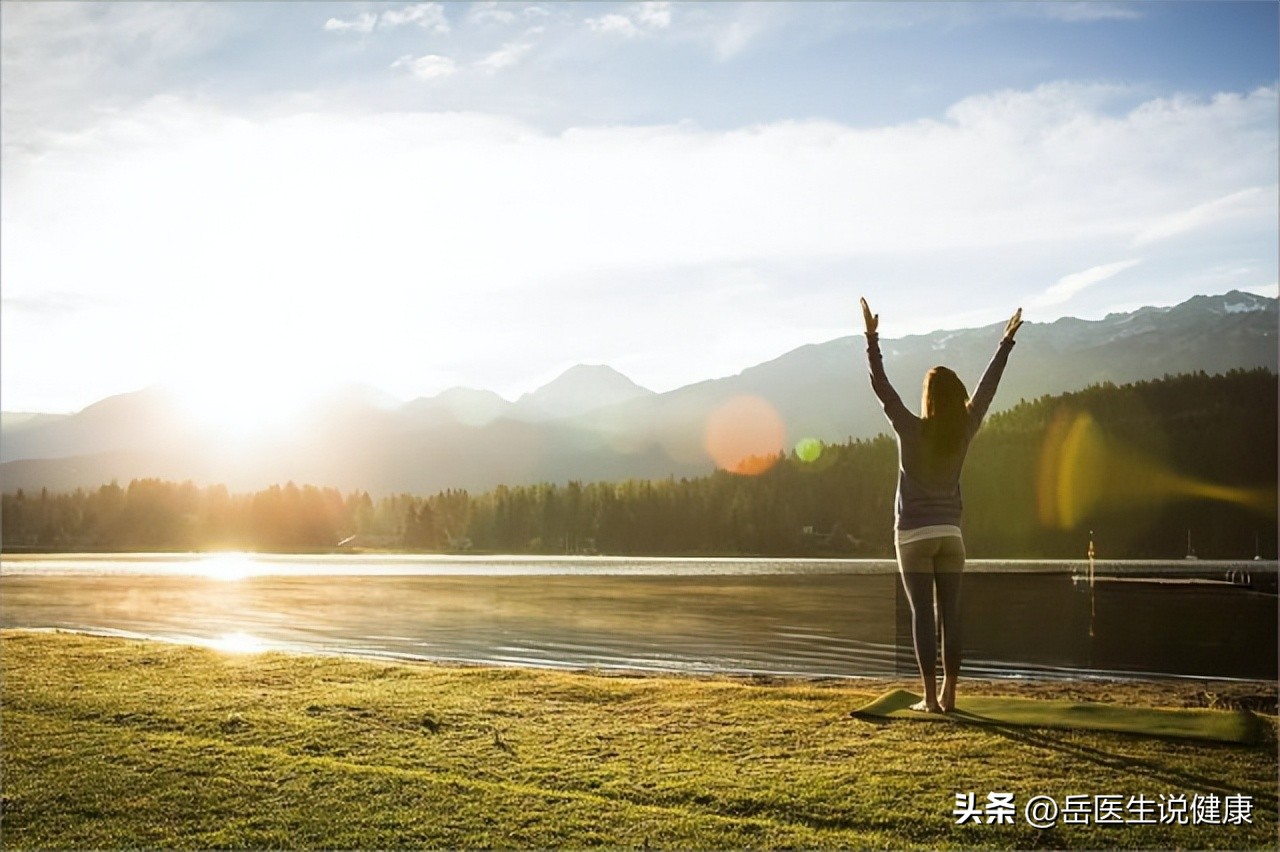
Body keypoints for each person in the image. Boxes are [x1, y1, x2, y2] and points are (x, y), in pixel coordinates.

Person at [860, 297, 1022, 713]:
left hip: (912, 535)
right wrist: (1004, 344)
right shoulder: (964, 429)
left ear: (929, 397)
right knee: (952, 614)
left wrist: (872, 337)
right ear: (956, 399)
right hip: (951, 536)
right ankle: (951, 694)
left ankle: (929, 699)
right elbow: (987, 390)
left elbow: (882, 388)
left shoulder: (910, 429)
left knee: (922, 615)